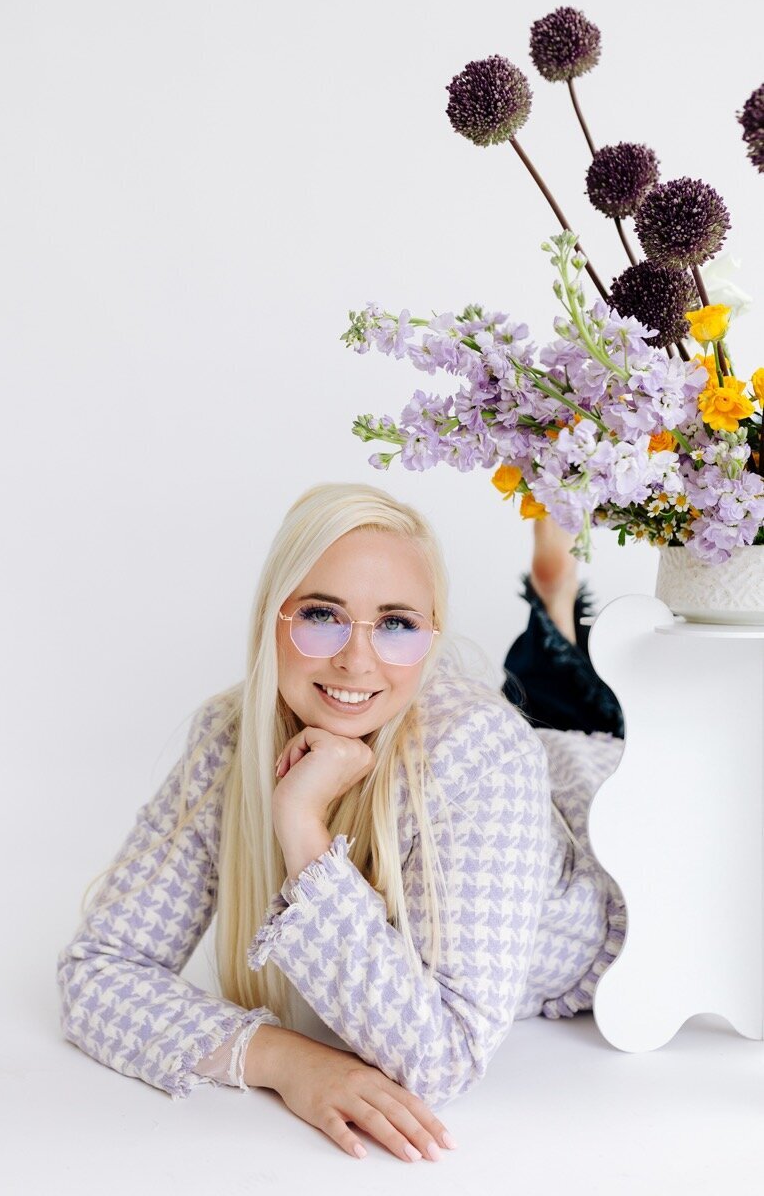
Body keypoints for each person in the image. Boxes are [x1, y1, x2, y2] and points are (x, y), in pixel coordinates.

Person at [56, 482, 626, 1165]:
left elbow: (440, 1058)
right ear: (272, 618)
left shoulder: (481, 750)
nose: (356, 661)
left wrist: (301, 826)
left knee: (588, 714)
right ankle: (555, 603)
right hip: (544, 770)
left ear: (431, 636)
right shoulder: (230, 736)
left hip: (624, 831)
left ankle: (555, 600)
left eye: (396, 624)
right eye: (322, 615)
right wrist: (284, 1062)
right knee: (556, 696)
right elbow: (98, 969)